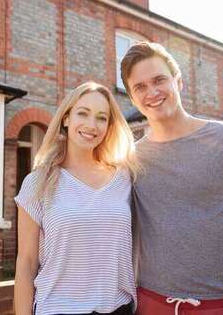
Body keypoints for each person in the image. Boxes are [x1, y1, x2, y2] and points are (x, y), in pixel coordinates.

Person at [120, 41, 223, 315]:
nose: (152, 92)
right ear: (132, 97)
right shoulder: (129, 159)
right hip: (150, 305)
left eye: (159, 80)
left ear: (179, 82)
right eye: (140, 87)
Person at [14, 81, 140, 315]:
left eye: (102, 118)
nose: (92, 125)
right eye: (83, 113)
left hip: (118, 308)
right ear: (66, 118)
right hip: (58, 309)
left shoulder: (125, 179)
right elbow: (26, 263)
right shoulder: (38, 182)